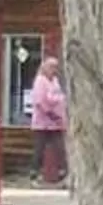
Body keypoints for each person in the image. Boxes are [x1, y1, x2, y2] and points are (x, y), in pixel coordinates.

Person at [29, 54, 69, 187]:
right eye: (51, 66)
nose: (54, 69)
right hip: (43, 123)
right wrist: (51, 115)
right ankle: (34, 175)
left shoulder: (55, 81)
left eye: (55, 67)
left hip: (56, 123)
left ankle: (64, 175)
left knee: (60, 149)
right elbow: (40, 102)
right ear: (45, 67)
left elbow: (59, 97)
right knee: (39, 149)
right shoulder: (40, 81)